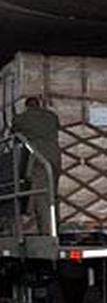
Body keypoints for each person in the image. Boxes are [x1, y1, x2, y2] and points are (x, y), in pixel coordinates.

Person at [12, 97, 61, 234]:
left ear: (27, 106)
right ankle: (55, 225)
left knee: (41, 195)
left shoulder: (21, 118)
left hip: (38, 158)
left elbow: (14, 131)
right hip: (55, 156)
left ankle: (47, 231)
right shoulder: (51, 116)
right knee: (53, 193)